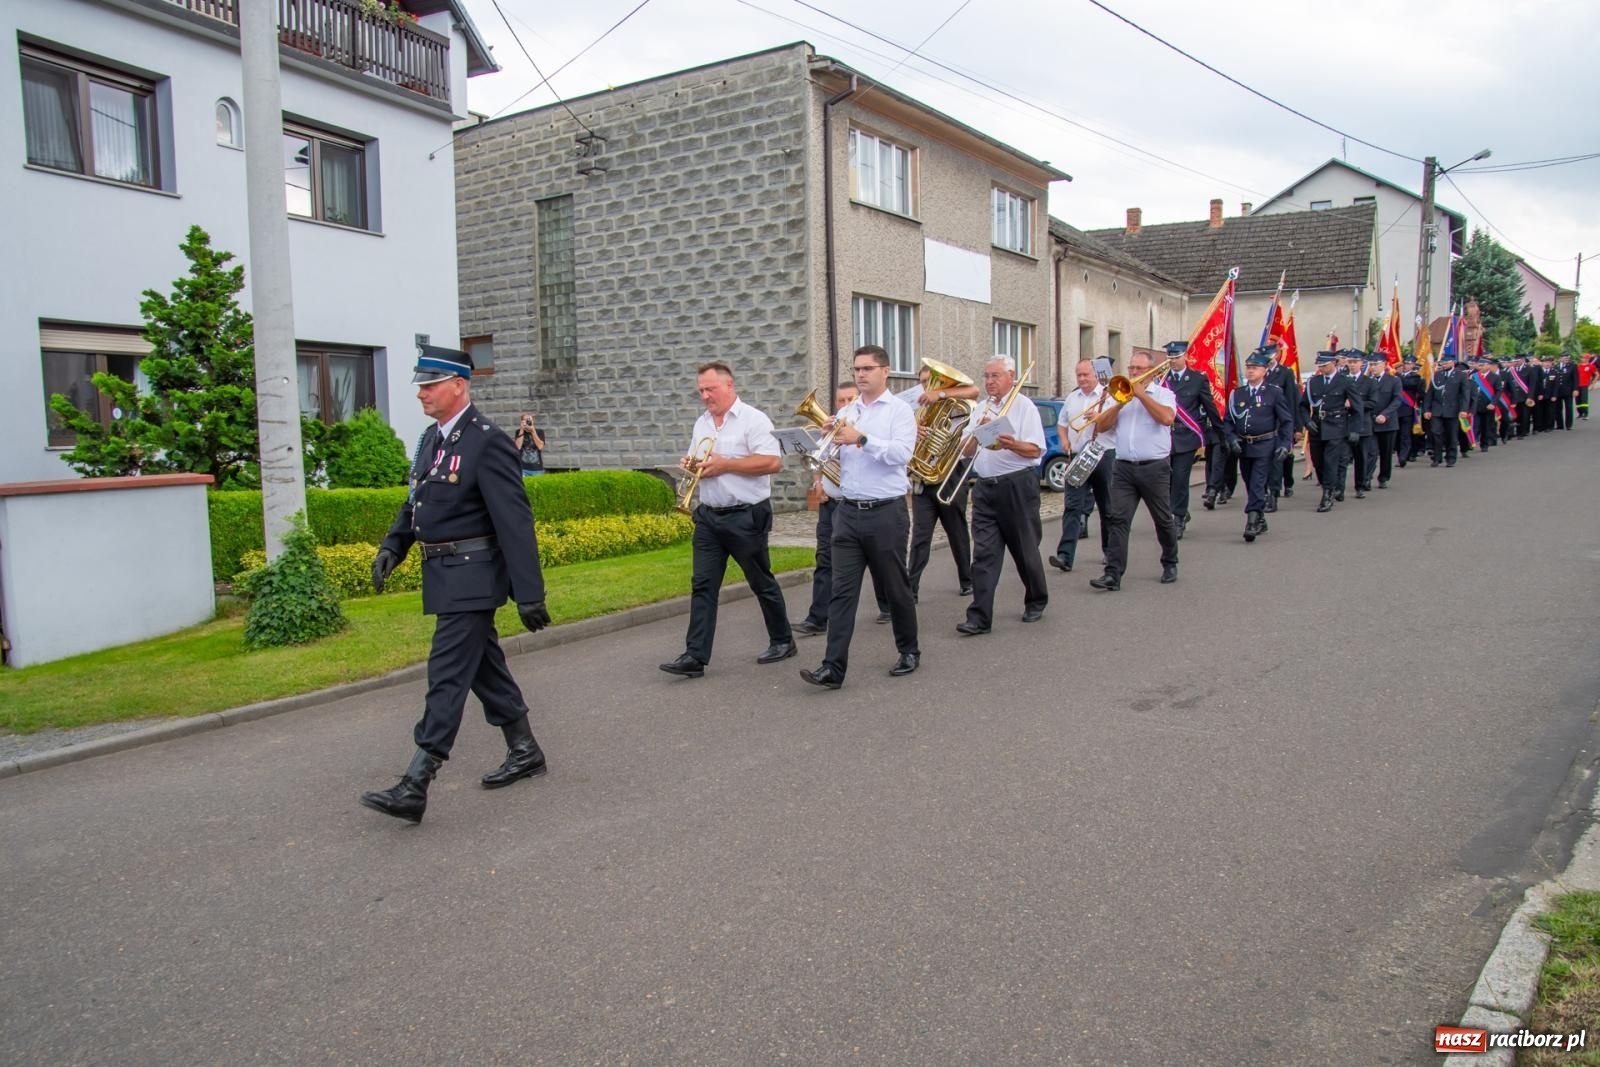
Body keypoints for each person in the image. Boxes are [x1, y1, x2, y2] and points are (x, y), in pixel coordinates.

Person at [362, 346, 551, 824]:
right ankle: (524, 748)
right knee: (484, 668)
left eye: (430, 384)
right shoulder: (432, 439)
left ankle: (416, 781)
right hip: (444, 576)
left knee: (446, 673)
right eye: (420, 385)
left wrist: (530, 593)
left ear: (459, 385)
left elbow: (515, 521)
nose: (422, 393)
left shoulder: (486, 442)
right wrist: (393, 546)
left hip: (474, 576)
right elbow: (416, 502)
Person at [659, 363, 794, 679]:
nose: (706, 396)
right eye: (701, 391)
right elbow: (702, 462)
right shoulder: (702, 423)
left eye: (711, 389)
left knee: (760, 580)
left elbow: (772, 462)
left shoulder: (754, 419)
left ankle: (783, 640)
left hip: (746, 515)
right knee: (702, 585)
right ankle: (695, 656)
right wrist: (692, 464)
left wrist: (727, 465)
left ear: (729, 385)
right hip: (709, 516)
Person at [800, 345, 920, 689]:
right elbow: (838, 456)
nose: (861, 374)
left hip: (886, 512)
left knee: (896, 587)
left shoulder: (899, 411)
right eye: (856, 369)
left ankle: (909, 650)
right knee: (842, 592)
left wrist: (861, 438)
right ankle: (832, 667)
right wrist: (830, 439)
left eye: (867, 368)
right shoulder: (849, 410)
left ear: (886, 370)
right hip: (848, 513)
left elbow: (901, 455)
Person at [956, 356, 1048, 635]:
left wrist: (1012, 443)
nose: (989, 382)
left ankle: (1036, 599)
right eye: (986, 376)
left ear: (1011, 376)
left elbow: (1036, 451)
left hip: (1017, 486)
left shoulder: (1024, 406)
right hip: (985, 488)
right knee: (984, 554)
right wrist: (975, 434)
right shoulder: (981, 407)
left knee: (1025, 549)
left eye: (995, 376)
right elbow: (967, 452)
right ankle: (979, 616)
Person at [1089, 350, 1178, 592]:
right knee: (1118, 519)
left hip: (1154, 467)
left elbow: (1167, 419)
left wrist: (1141, 396)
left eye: (1139, 369)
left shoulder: (1164, 394)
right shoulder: (1118, 394)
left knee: (1162, 519)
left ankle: (1170, 561)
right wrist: (1118, 404)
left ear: (1152, 371)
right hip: (1124, 467)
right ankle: (1113, 574)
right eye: (1132, 368)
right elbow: (1102, 426)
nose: (1134, 373)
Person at [901, 363, 978, 604]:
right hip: (924, 479)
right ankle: (911, 589)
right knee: (920, 537)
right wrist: (914, 433)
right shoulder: (916, 410)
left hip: (950, 474)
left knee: (956, 531)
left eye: (930, 382)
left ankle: (967, 580)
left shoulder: (955, 404)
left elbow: (974, 391)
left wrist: (941, 394)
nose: (925, 386)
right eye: (923, 382)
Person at [792, 383, 859, 638]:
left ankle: (887, 606)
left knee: (875, 562)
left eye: (850, 399)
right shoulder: (830, 429)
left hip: (853, 504)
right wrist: (818, 483)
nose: (844, 404)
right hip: (830, 503)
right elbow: (818, 461)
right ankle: (817, 618)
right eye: (840, 400)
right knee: (825, 559)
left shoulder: (864, 428)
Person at [1221, 347, 1294, 542]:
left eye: (1255, 367)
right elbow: (1228, 421)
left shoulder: (1273, 393)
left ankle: (1251, 521)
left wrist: (1285, 444)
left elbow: (1286, 420)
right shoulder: (1238, 394)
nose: (1251, 371)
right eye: (1248, 367)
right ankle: (1260, 517)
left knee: (1258, 482)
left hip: (1265, 444)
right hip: (1244, 446)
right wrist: (1232, 438)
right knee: (1248, 481)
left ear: (1264, 371)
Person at [1051, 359, 1113, 572]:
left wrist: (1099, 417)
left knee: (1107, 507)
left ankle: (1110, 551)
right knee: (1072, 506)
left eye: (1086, 374)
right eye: (1079, 375)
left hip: (1104, 455)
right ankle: (1065, 556)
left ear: (1096, 374)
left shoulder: (1108, 395)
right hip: (1079, 456)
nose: (1082, 378)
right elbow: (1062, 424)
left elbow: (1113, 424)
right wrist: (1064, 440)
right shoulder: (1071, 397)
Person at [1161, 341, 1218, 537]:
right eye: (1170, 357)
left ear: (1185, 356)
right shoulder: (1161, 380)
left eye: (1176, 357)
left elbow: (1209, 406)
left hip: (1186, 436)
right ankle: (1181, 511)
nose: (1173, 361)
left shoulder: (1197, 379)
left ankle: (1177, 518)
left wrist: (1221, 431)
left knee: (1180, 478)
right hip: (1164, 437)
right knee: (1166, 479)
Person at [1301, 350, 1359, 511]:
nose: (1322, 368)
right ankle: (1327, 485)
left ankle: (1327, 494)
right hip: (1316, 425)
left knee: (1330, 461)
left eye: (1325, 365)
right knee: (1318, 462)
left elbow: (1357, 407)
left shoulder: (1344, 381)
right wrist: (1306, 421)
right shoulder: (1314, 382)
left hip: (1336, 425)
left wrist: (1354, 429)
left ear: (1334, 363)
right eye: (1320, 365)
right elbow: (1303, 405)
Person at [1264, 346, 1302, 508]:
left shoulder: (1285, 373)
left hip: (1281, 423)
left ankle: (1278, 488)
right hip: (1265, 423)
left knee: (1281, 458)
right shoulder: (1260, 373)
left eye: (1270, 356)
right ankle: (1269, 490)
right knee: (1269, 460)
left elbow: (1292, 401)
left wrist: (1296, 427)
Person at [1423, 353, 1466, 467]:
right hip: (1437, 410)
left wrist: (1463, 409)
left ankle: (1451, 457)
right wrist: (1426, 409)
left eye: (1446, 363)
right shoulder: (1436, 375)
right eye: (1442, 363)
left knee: (1451, 435)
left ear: (1452, 362)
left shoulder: (1460, 375)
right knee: (1436, 433)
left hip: (1452, 410)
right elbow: (1429, 394)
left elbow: (1464, 395)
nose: (1443, 365)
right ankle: (1437, 457)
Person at [1365, 356, 1401, 488]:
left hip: (1388, 423)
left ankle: (1383, 477)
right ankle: (1366, 478)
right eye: (1371, 364)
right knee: (1370, 452)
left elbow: (1397, 400)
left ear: (1384, 364)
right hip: (1370, 422)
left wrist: (1385, 414)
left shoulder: (1394, 381)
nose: (1373, 367)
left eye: (1375, 364)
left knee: (1386, 453)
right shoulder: (1367, 381)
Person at [1343, 350, 1375, 496]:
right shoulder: (1341, 379)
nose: (1352, 365)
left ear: (1362, 363)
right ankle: (1338, 488)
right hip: (1343, 424)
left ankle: (1360, 486)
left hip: (1362, 424)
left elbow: (1373, 403)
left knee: (1361, 457)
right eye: (1350, 362)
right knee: (1341, 458)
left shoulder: (1369, 382)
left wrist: (1355, 404)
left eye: (1355, 362)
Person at [1396, 357, 1424, 466]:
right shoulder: (1397, 376)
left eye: (1408, 364)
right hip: (1396, 410)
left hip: (1407, 409)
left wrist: (1397, 376)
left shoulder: (1415, 377)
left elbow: (1408, 384)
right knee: (1397, 435)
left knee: (1405, 434)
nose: (1406, 365)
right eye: (1405, 363)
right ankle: (1400, 454)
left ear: (1413, 365)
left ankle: (1403, 457)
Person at [514, 412, 546, 476]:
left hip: (537, 468)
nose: (527, 422)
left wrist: (533, 431)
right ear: (522, 421)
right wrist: (522, 429)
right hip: (523, 468)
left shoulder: (539, 432)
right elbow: (517, 447)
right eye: (525, 420)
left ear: (533, 421)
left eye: (529, 420)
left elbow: (540, 447)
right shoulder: (518, 432)